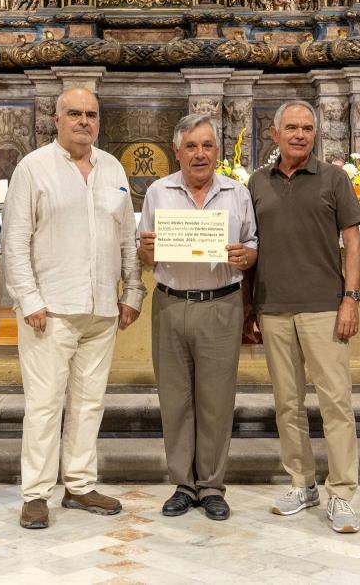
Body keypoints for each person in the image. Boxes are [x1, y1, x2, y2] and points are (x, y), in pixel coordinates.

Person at [1, 87, 145, 530]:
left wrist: (132, 291)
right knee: (44, 404)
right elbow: (15, 240)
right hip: (52, 308)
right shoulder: (34, 168)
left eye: (91, 114)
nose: (84, 121)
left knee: (89, 402)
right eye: (75, 114)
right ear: (57, 119)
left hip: (101, 308)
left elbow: (126, 238)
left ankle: (79, 485)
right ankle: (36, 493)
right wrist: (29, 299)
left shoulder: (112, 167)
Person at [248, 100, 360, 533]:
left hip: (323, 307)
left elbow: (353, 243)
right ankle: (302, 482)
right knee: (288, 404)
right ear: (274, 135)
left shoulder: (335, 179)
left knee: (336, 402)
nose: (300, 135)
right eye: (292, 128)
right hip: (273, 307)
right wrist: (249, 307)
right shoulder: (256, 183)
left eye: (308, 128)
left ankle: (341, 493)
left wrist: (350, 298)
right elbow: (250, 246)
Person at [137, 114, 258, 521]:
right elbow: (146, 250)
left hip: (222, 304)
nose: (200, 154)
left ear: (217, 151)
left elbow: (253, 245)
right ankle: (182, 485)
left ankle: (211, 485)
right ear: (177, 151)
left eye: (207, 145)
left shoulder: (238, 194)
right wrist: (147, 249)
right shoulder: (158, 191)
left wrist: (247, 254)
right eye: (191, 146)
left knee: (216, 401)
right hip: (170, 303)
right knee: (175, 399)